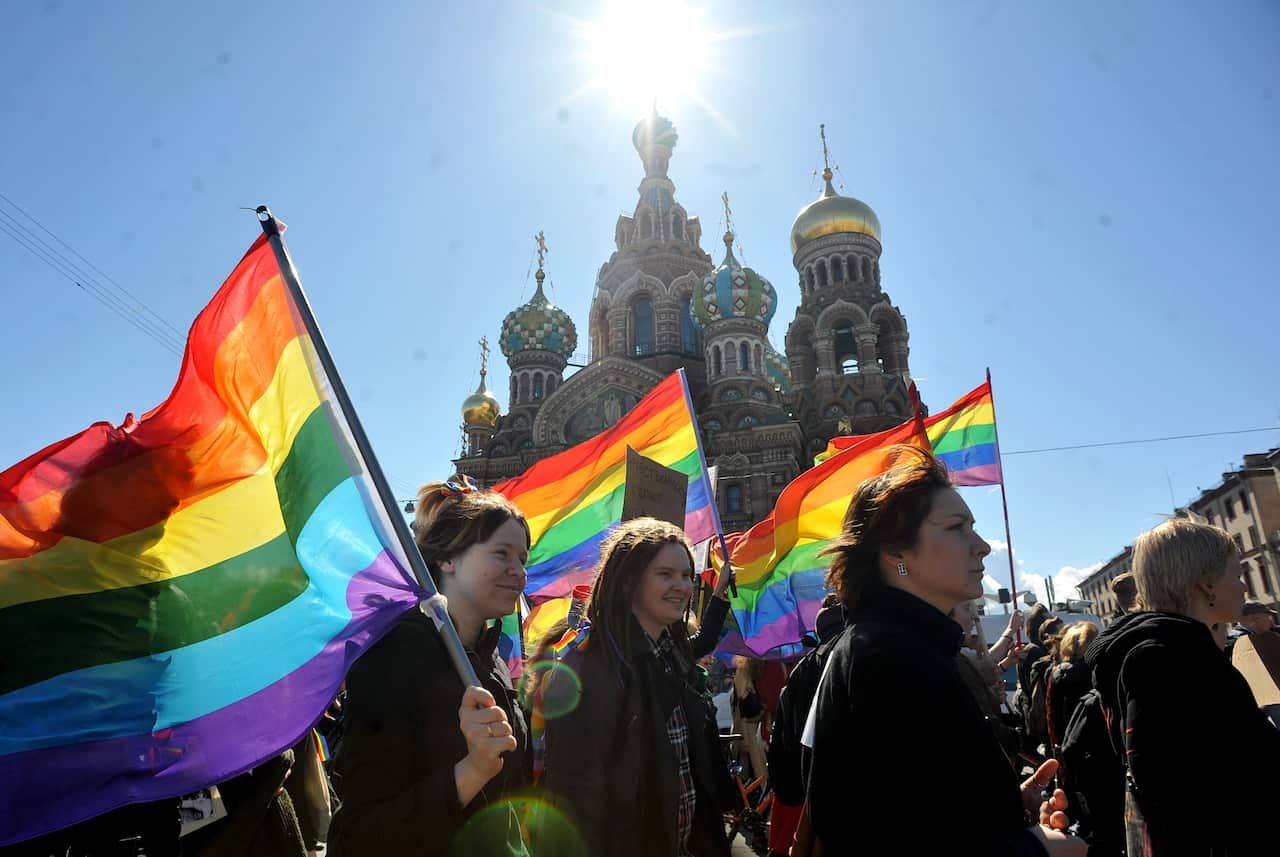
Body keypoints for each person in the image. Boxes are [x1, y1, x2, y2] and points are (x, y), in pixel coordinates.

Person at [806, 446, 1085, 856]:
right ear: (896, 552)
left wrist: (1006, 805)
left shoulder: (905, 645)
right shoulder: (888, 657)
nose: (982, 546)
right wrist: (1038, 849)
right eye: (957, 528)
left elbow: (925, 808)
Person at [326, 478, 532, 857]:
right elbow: (364, 834)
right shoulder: (393, 657)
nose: (519, 571)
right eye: (502, 553)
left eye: (522, 559)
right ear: (448, 559)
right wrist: (472, 770)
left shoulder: (493, 658)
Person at [1086, 518, 1280, 855]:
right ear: (1208, 585)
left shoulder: (1168, 650)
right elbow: (1172, 782)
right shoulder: (1169, 657)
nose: (1245, 586)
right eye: (1236, 574)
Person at [541, 517, 732, 857]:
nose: (682, 586)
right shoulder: (589, 669)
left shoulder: (673, 657)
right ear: (628, 580)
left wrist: (719, 597)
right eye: (665, 574)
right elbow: (576, 803)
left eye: (687, 575)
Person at [1045, 622, 1097, 756]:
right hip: (1101, 745)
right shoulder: (1099, 670)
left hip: (1069, 744)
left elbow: (1052, 715)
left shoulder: (1058, 674)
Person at [731, 657, 769, 782]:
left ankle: (760, 793)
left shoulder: (742, 670)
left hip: (749, 723)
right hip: (761, 720)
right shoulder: (765, 666)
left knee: (754, 763)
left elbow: (742, 698)